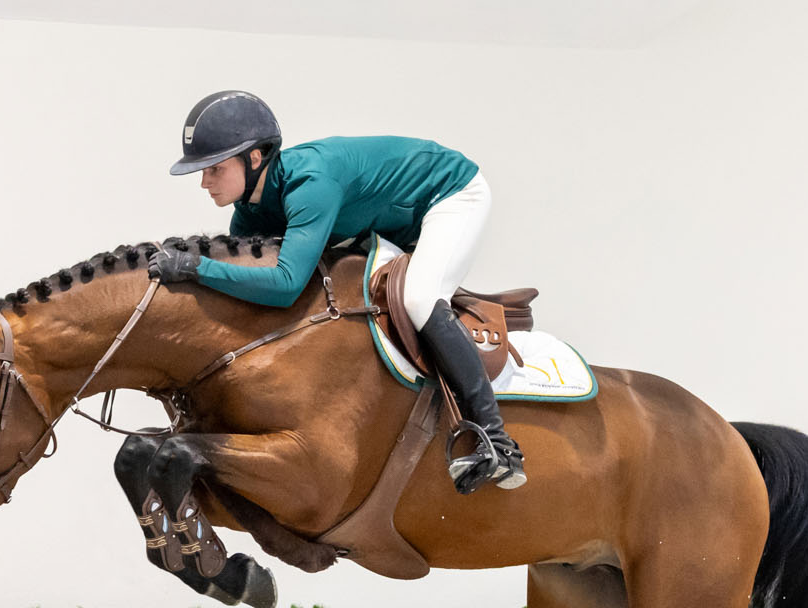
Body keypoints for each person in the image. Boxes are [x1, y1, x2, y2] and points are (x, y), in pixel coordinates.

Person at [150, 90, 526, 493]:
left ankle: (498, 441)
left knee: (418, 298)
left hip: (449, 194)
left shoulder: (310, 184)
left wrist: (195, 268)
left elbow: (285, 286)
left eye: (214, 169)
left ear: (254, 158)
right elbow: (248, 286)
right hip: (389, 220)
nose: (204, 182)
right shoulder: (248, 213)